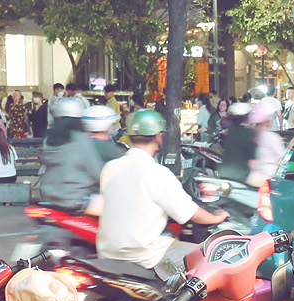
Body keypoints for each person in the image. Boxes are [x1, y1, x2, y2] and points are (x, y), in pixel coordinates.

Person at [95, 109, 225, 271]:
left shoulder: (110, 167)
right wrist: (217, 218)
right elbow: (192, 214)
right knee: (209, 257)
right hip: (145, 255)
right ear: (159, 136)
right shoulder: (157, 173)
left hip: (107, 252)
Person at [32, 96, 102, 212]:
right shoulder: (81, 139)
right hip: (75, 198)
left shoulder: (49, 140)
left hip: (48, 193)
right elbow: (96, 170)